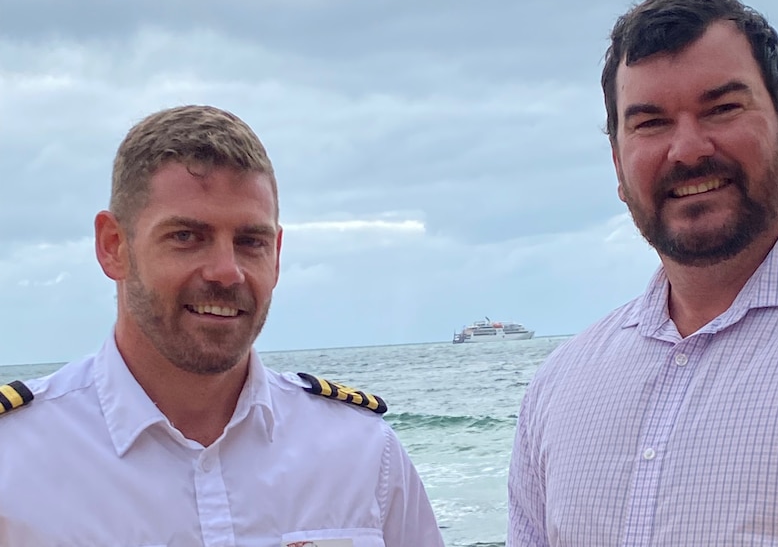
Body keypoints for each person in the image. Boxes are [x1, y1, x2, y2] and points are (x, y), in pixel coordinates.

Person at [508, 0, 778, 546]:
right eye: (650, 123)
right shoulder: (558, 390)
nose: (689, 149)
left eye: (721, 108)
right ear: (619, 166)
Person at [0, 105, 445, 546]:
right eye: (187, 237)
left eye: (251, 242)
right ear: (113, 246)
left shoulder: (362, 455)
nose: (226, 271)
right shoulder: (14, 463)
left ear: (277, 253)